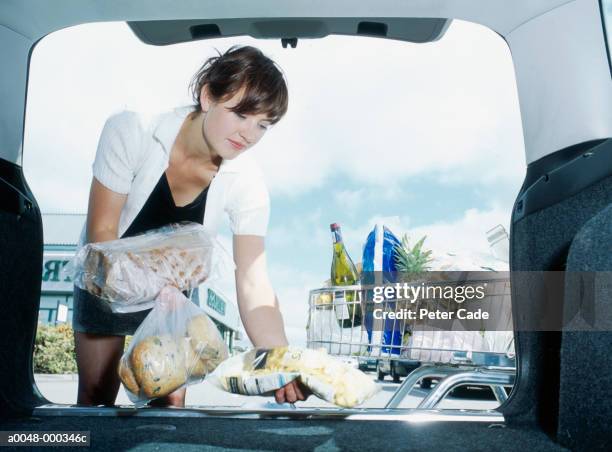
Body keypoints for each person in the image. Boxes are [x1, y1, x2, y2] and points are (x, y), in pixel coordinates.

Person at [72, 45, 308, 407]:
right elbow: (101, 235)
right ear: (208, 95)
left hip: (173, 296)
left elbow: (252, 279)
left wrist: (278, 357)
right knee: (95, 396)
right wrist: (147, 284)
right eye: (241, 114)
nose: (249, 134)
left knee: (169, 403)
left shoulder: (248, 182)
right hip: (106, 276)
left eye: (263, 124)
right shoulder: (132, 128)